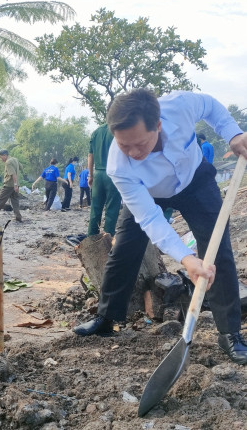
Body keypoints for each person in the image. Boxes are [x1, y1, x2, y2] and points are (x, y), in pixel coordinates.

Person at [73, 88, 247, 366]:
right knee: (125, 250)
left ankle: (230, 334)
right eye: (123, 145)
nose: (132, 152)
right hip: (148, 191)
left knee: (218, 251)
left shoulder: (179, 106)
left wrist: (234, 133)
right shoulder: (120, 167)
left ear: (158, 125)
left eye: (139, 144)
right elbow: (152, 220)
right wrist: (187, 259)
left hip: (195, 182)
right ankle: (106, 318)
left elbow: (212, 106)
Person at [87, 123, 122, 236]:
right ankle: (107, 237)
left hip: (98, 174)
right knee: (111, 210)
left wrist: (91, 175)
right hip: (113, 174)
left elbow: (90, 156)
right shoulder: (118, 131)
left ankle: (91, 238)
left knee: (95, 209)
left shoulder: (96, 132)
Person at [0, 149, 23, 222]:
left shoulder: (8, 162)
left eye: (1, 157)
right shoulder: (15, 159)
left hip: (9, 185)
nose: (1, 159)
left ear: (5, 155)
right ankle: (18, 217)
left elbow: (13, 174)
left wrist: (15, 185)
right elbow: (21, 167)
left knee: (0, 200)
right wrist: (16, 185)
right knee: (15, 201)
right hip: (16, 184)